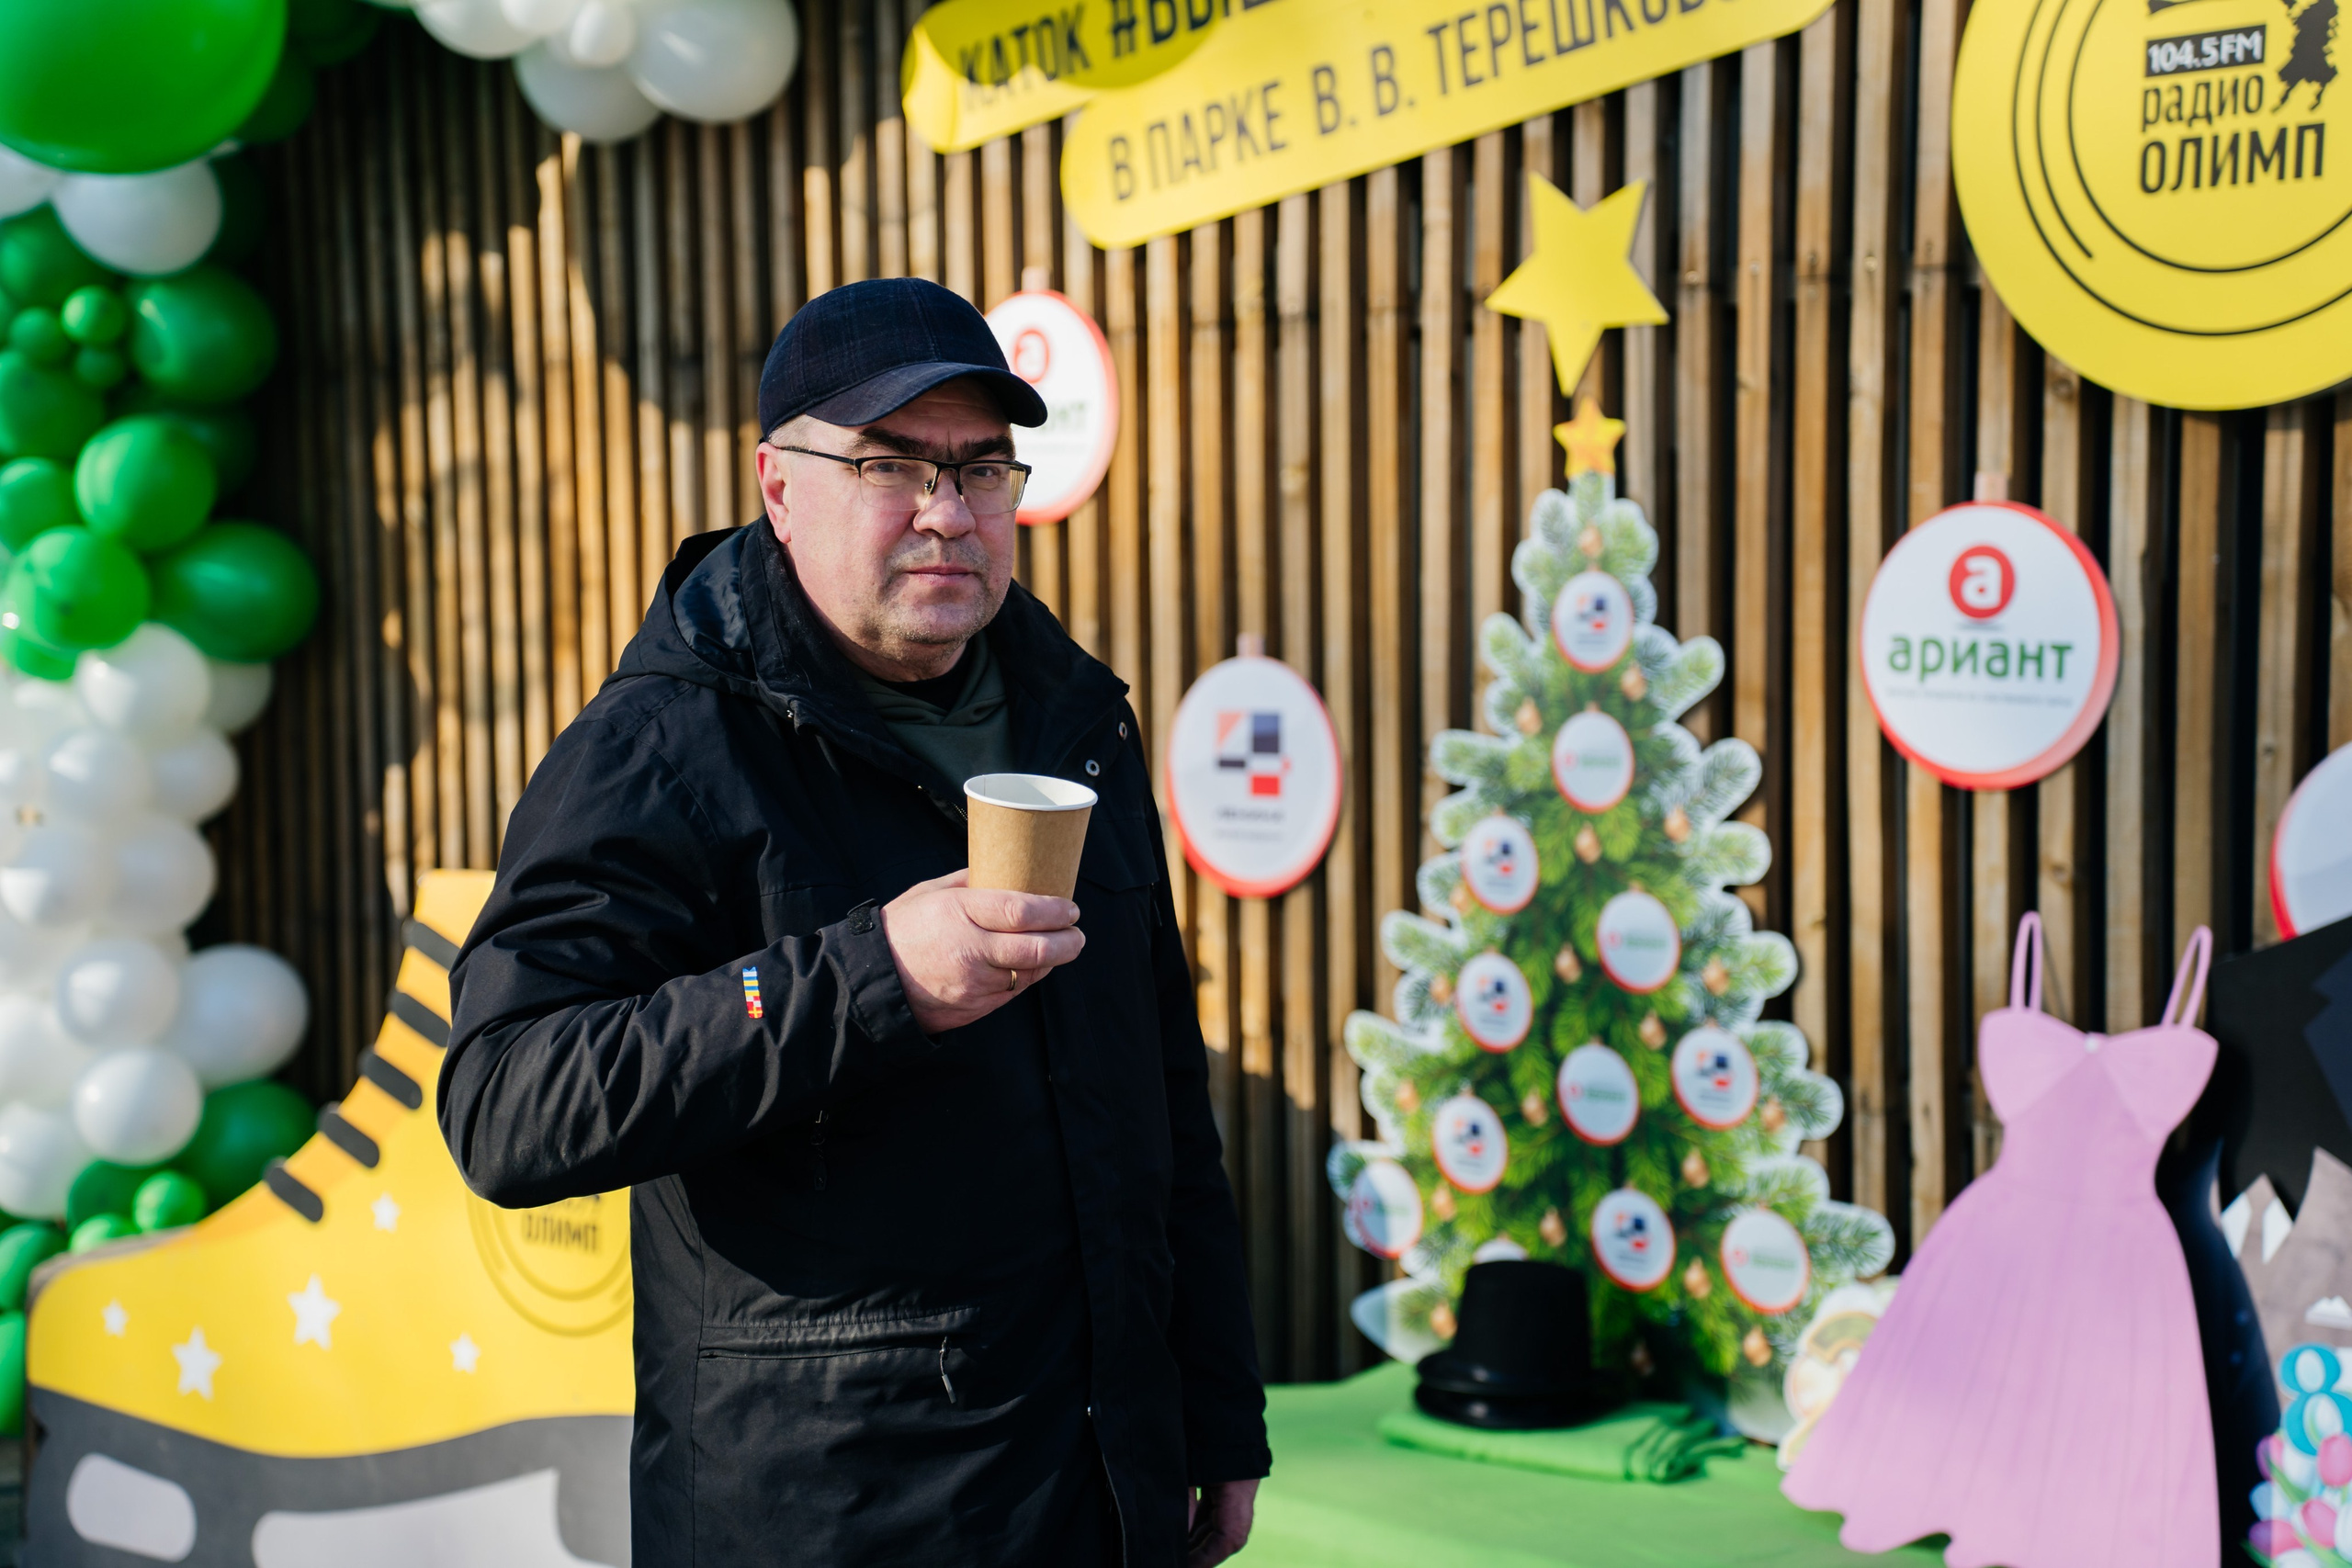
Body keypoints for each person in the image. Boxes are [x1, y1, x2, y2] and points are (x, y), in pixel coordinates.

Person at [440, 277, 1268, 1568]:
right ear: (780, 486)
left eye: (981, 468)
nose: (947, 514)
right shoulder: (663, 743)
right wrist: (874, 974)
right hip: (827, 1508)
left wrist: (1213, 1410)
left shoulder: (1075, 724)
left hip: (1097, 1488)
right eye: (893, 465)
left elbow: (1159, 1096)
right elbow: (508, 1103)